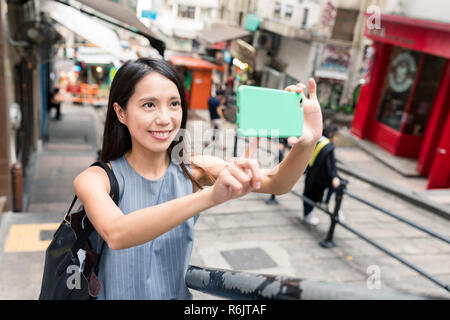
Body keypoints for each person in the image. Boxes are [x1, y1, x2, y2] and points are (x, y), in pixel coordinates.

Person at [73, 58, 322, 299]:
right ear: (121, 112)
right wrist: (210, 196)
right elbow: (118, 233)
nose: (165, 118)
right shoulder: (96, 179)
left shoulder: (193, 168)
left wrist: (307, 142)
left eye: (174, 104)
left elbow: (278, 183)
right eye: (149, 104)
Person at [302, 123, 343, 226]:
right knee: (312, 196)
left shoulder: (319, 140)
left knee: (308, 194)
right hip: (318, 178)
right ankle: (318, 208)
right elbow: (330, 165)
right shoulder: (328, 147)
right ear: (330, 134)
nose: (336, 138)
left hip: (311, 173)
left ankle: (307, 214)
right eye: (336, 135)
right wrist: (334, 176)